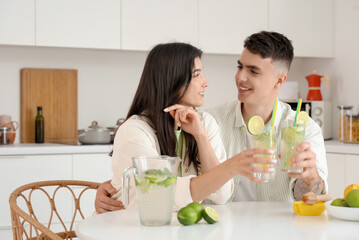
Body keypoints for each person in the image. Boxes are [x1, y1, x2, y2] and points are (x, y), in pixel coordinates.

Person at [95, 31, 328, 213]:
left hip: (279, 230)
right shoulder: (208, 121)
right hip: (220, 229)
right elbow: (157, 181)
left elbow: (312, 198)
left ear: (280, 80)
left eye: (253, 71)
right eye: (240, 67)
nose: (240, 77)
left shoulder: (303, 128)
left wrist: (311, 178)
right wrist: (117, 187)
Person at [103, 42, 274, 213]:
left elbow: (221, 196)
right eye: (196, 74)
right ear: (171, 79)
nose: (205, 82)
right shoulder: (134, 131)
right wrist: (231, 166)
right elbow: (159, 194)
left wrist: (201, 136)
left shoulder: (204, 123)